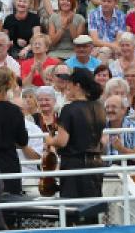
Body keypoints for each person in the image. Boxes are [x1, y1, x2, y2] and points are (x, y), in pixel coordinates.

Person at [44, 68, 105, 198]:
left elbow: (62, 141)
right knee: (93, 204)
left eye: (70, 83)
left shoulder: (69, 109)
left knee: (72, 205)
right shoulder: (99, 107)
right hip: (96, 162)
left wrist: (49, 140)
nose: (67, 86)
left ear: (77, 86)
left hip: (74, 164)